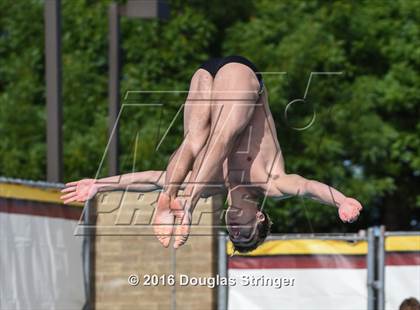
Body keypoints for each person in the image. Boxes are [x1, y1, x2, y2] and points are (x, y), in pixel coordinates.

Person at [61, 55, 362, 251]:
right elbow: (307, 188)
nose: (235, 229)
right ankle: (185, 206)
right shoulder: (271, 182)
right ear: (259, 217)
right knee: (222, 136)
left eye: (234, 235)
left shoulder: (216, 186)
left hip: (205, 74)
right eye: (244, 232)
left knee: (193, 142)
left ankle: (173, 200)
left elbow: (153, 177)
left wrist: (101, 184)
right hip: (241, 75)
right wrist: (340, 199)